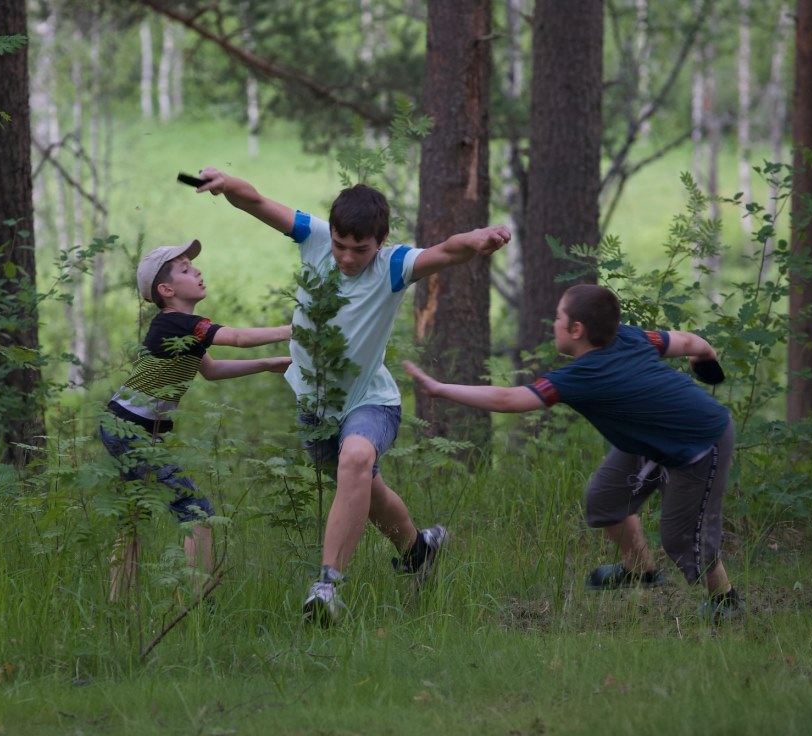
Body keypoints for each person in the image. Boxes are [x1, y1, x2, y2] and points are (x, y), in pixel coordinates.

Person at [191, 167, 511, 624]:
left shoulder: (394, 266)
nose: (345, 257)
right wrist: (226, 184)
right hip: (315, 405)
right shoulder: (315, 237)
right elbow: (258, 202)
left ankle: (327, 587)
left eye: (359, 250)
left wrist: (479, 238)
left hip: (371, 400)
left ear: (379, 242)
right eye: (340, 245)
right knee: (365, 490)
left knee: (356, 460)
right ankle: (419, 550)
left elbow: (446, 251)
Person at [403, 283, 742, 622]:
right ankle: (640, 571)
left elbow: (508, 400)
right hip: (654, 440)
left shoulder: (580, 377)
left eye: (557, 317)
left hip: (701, 442)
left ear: (576, 330)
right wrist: (706, 358)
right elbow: (687, 343)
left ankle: (726, 601)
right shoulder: (630, 336)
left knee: (682, 538)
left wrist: (439, 388)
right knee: (606, 500)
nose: (553, 323)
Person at [101, 239, 291, 601]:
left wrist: (269, 364)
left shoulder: (180, 327)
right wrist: (292, 329)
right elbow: (234, 337)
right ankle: (196, 604)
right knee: (198, 513)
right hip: (130, 431)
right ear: (167, 289)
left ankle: (117, 604)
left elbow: (212, 370)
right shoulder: (177, 323)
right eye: (186, 269)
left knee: (133, 518)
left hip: (124, 426)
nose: (198, 271)